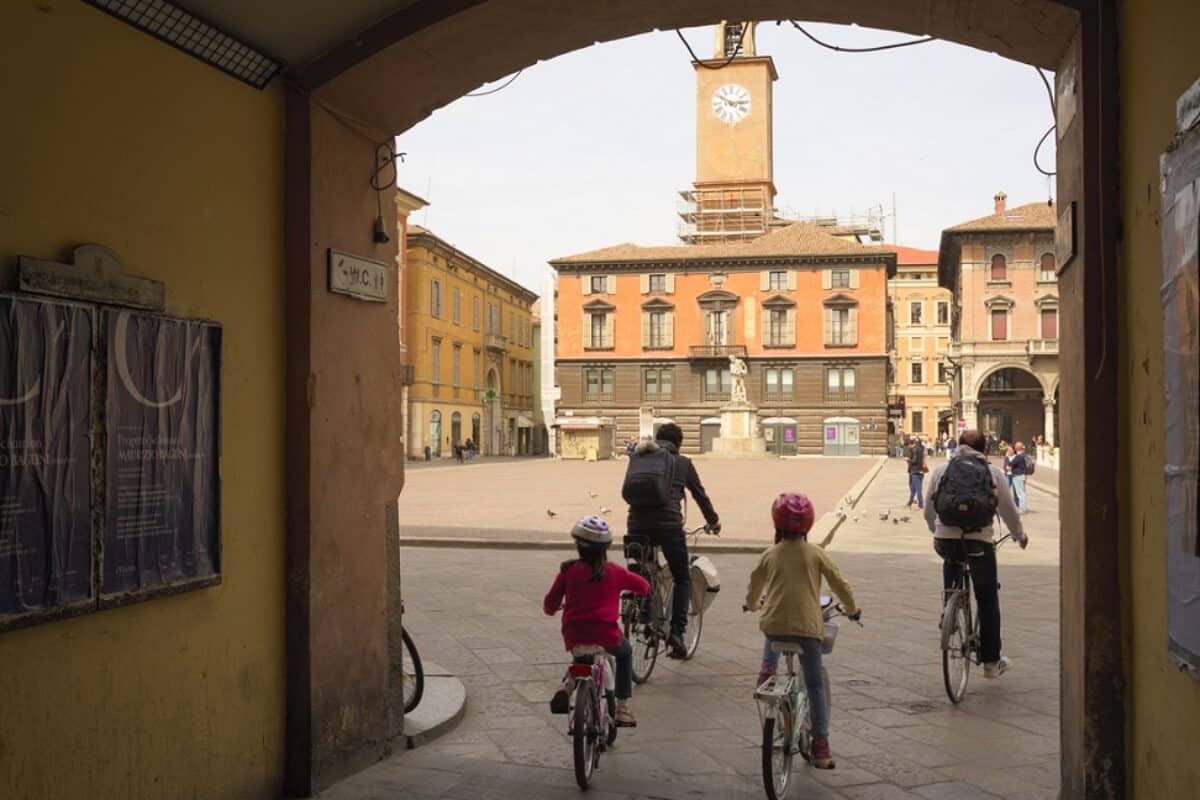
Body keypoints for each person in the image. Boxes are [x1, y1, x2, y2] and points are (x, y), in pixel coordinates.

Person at [745, 492, 861, 770]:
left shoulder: (770, 554)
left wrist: (751, 605)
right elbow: (840, 585)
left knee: (772, 630)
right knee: (815, 684)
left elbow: (754, 585)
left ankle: (768, 670)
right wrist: (853, 609)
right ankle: (820, 744)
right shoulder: (816, 553)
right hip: (808, 629)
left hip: (774, 625)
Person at [924, 429, 1028, 678]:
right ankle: (991, 663)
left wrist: (936, 530)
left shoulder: (941, 471)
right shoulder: (992, 472)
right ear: (984, 449)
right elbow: (1008, 511)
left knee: (951, 558)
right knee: (988, 598)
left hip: (945, 539)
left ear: (958, 447)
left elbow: (928, 509)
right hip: (979, 541)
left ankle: (948, 605)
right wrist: (1019, 535)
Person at [625, 422, 720, 659]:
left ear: (657, 440)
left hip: (635, 525)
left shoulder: (641, 457)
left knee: (643, 568)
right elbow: (700, 495)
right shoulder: (683, 463)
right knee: (682, 577)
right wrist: (713, 520)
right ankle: (677, 633)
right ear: (679, 443)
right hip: (668, 526)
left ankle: (643, 610)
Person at [543, 516, 650, 726]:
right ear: (605, 548)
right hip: (605, 634)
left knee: (582, 659)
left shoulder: (568, 570)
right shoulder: (614, 572)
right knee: (625, 653)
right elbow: (644, 587)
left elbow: (549, 605)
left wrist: (556, 607)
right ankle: (622, 707)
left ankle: (567, 687)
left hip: (574, 633)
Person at [905, 436, 927, 509]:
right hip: (921, 471)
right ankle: (909, 503)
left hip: (915, 471)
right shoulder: (921, 448)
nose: (908, 448)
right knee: (913, 488)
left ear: (909, 444)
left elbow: (914, 461)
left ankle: (920, 505)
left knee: (918, 489)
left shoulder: (914, 450)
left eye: (907, 446)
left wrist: (908, 460)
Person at [1010, 442, 1030, 512]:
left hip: (1018, 475)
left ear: (1016, 448)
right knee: (1022, 492)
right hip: (1022, 475)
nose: (1014, 447)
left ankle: (1022, 508)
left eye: (1015, 446)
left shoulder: (1019, 456)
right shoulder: (1023, 454)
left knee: (1020, 493)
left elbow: (1011, 463)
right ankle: (1022, 507)